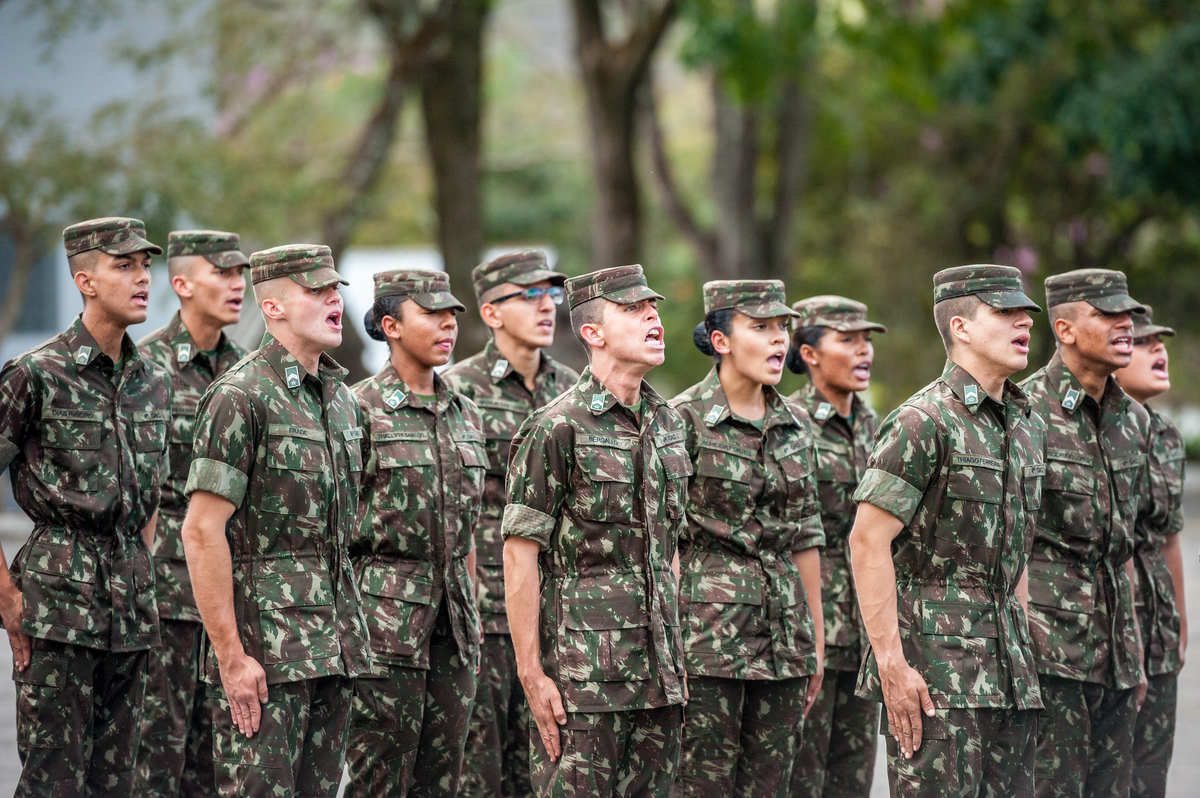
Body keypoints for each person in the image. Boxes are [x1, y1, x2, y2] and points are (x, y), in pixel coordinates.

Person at [180, 244, 372, 797]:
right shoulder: (240, 397)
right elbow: (201, 530)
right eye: (316, 291)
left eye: (335, 289)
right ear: (273, 308)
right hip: (268, 655)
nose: (333, 299)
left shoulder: (340, 400)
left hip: (334, 646)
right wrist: (231, 657)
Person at [849, 265, 1045, 798]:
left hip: (1009, 673)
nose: (1025, 320)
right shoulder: (923, 421)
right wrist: (892, 666)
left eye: (1025, 311)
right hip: (937, 676)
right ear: (960, 326)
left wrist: (1021, 638)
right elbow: (868, 541)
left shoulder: (1025, 425)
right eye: (1005, 312)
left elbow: (1014, 554)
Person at [502, 265, 689, 797]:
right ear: (592, 332)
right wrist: (531, 673)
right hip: (584, 680)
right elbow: (520, 557)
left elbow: (669, 548)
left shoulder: (668, 423)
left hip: (660, 676)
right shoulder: (556, 427)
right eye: (632, 310)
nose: (652, 316)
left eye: (652, 307)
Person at [0, 217, 170, 796]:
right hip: (58, 604)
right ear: (85, 281)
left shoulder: (154, 381)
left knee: (119, 783)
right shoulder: (35, 374)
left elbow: (148, 495)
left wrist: (139, 569)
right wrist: (6, 596)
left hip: (132, 608)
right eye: (124, 266)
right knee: (55, 782)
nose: (143, 277)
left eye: (145, 265)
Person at [669, 280, 824, 797]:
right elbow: (663, 541)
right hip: (706, 640)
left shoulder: (797, 423)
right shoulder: (682, 421)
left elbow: (805, 537)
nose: (779, 340)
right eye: (760, 328)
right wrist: (669, 648)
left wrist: (816, 645)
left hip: (786, 639)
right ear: (721, 341)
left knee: (772, 786)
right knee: (702, 785)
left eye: (783, 327)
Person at [444, 250, 579, 798]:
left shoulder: (572, 390)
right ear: (491, 312)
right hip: (483, 609)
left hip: (560, 609)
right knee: (481, 768)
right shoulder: (459, 390)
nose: (546, 306)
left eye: (551, 295)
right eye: (529, 296)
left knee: (550, 766)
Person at [345, 269, 484, 797]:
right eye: (431, 313)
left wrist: (469, 607)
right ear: (391, 326)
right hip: (383, 623)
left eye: (452, 313)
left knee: (443, 781)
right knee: (378, 778)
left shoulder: (464, 413)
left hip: (454, 625)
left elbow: (466, 535)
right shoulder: (357, 411)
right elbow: (335, 529)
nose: (448, 323)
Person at [1021, 269, 1151, 798]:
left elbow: (1123, 547)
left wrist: (1135, 648)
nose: (1127, 326)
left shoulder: (1133, 420)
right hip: (1050, 648)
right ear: (1066, 329)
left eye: (1130, 316)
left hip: (1116, 650)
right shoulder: (1023, 413)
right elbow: (1010, 541)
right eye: (1107, 315)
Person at [136, 229, 249, 797]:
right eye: (222, 273)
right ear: (181, 284)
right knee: (156, 759)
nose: (237, 285)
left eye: (240, 274)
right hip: (161, 600)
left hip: (229, 599)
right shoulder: (144, 368)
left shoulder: (248, 375)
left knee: (220, 765)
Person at [787, 295, 886, 798]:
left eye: (866, 340)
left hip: (867, 632)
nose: (863, 350)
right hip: (808, 629)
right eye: (847, 340)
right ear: (809, 354)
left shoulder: (879, 428)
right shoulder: (788, 424)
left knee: (853, 778)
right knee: (802, 776)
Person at [1113, 306, 1188, 798]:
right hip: (1101, 633)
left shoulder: (1166, 437)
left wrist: (1180, 619)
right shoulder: (1072, 428)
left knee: (1148, 781)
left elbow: (1170, 537)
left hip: (1156, 631)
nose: (1159, 349)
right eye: (1143, 343)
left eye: (1160, 341)